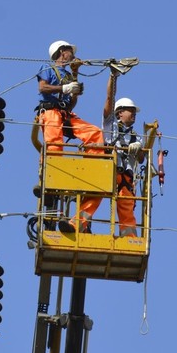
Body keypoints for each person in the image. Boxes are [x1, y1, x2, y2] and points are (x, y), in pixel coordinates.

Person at [36, 40, 104, 233]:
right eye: (69, 51)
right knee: (55, 145)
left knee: (95, 133)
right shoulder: (47, 68)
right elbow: (42, 88)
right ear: (61, 52)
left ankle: (93, 167)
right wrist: (64, 89)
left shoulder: (68, 74)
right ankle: (48, 175)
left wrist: (74, 85)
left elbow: (71, 104)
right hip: (50, 112)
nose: (72, 54)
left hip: (66, 114)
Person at [102, 67, 144, 237]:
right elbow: (109, 100)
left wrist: (138, 149)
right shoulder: (110, 125)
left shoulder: (135, 136)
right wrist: (113, 76)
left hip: (125, 176)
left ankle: (129, 236)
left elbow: (141, 160)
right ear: (119, 113)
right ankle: (77, 225)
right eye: (130, 110)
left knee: (127, 204)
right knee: (93, 196)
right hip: (109, 170)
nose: (133, 113)